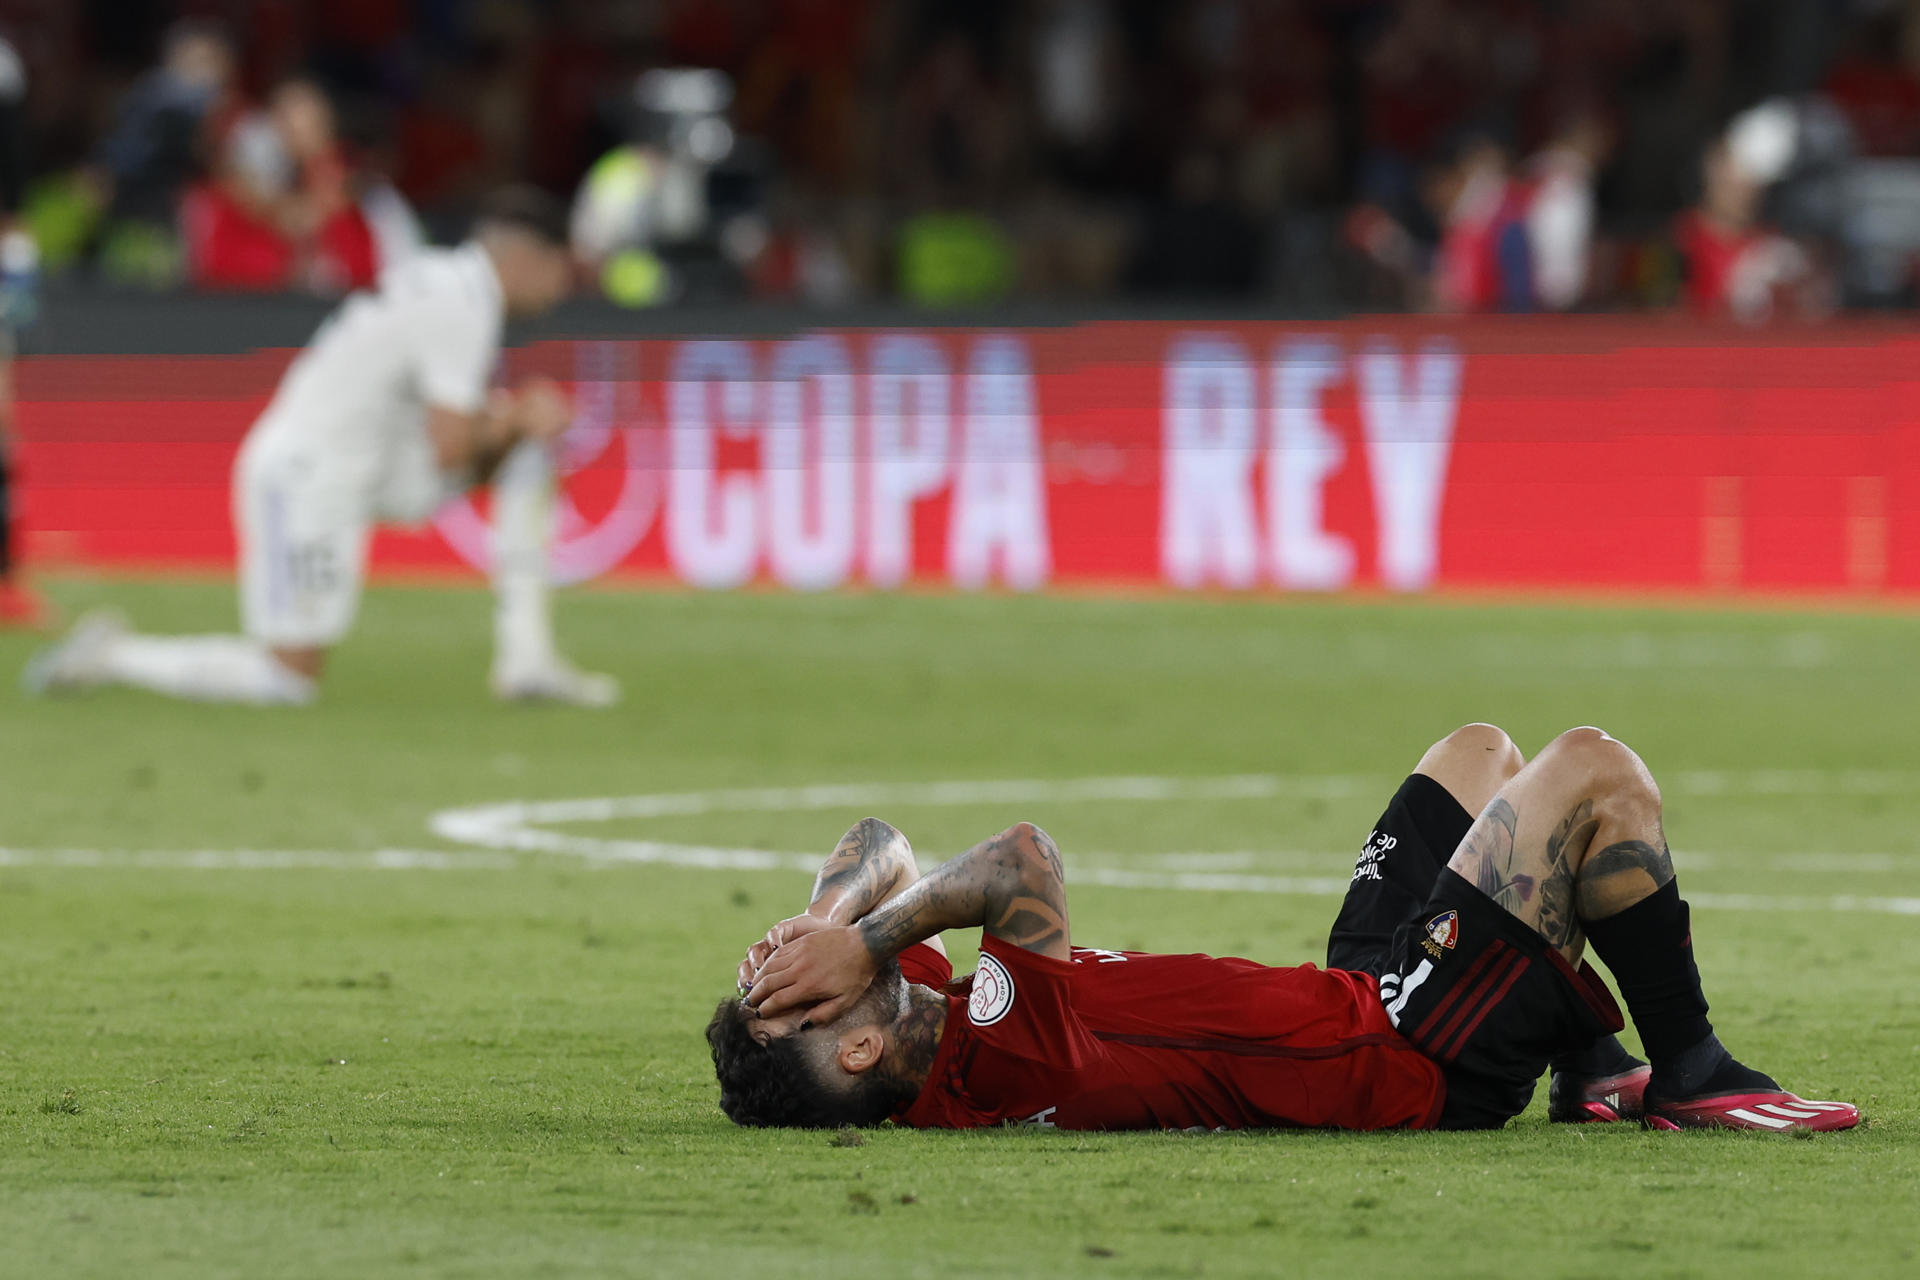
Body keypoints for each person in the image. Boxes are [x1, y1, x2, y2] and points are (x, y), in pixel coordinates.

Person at [713, 724, 1859, 1133]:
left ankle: (1591, 1067)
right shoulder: (1004, 1055)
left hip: (1351, 993)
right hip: (1408, 1056)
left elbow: (882, 839)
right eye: (809, 1001)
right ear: (858, 1047)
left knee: (1477, 750)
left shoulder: (932, 1013)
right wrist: (859, 946)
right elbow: (1022, 859)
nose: (832, 974)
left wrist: (822, 917)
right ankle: (1691, 1071)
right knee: (1593, 773)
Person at [24, 187, 617, 707]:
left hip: (363, 464)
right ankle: (117, 657)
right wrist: (516, 419)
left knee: (529, 454)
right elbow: (452, 450)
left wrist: (514, 426)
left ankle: (527, 661)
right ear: (525, 259)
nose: (563, 289)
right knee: (285, 681)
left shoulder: (443, 279)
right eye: (560, 270)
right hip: (308, 475)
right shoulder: (463, 306)